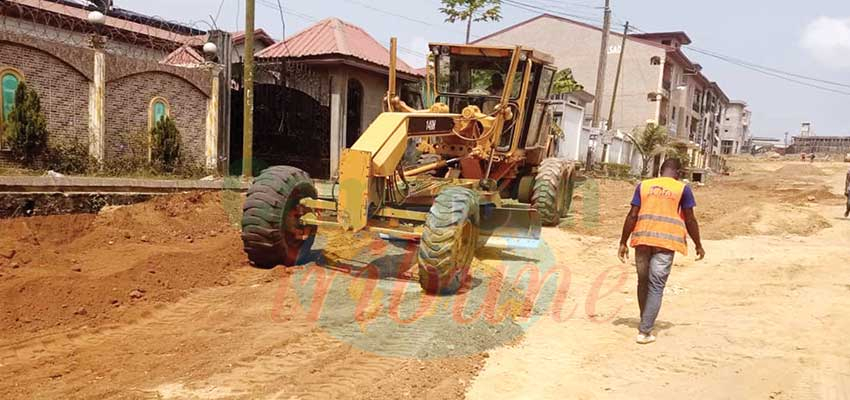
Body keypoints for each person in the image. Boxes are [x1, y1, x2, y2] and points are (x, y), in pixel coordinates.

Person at [618, 158, 705, 344]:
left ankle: (645, 320)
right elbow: (690, 219)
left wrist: (622, 242)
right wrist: (698, 244)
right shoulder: (682, 189)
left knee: (643, 282)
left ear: (660, 170)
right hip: (665, 243)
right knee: (656, 285)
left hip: (642, 240)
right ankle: (645, 331)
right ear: (678, 173)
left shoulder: (644, 186)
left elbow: (632, 214)